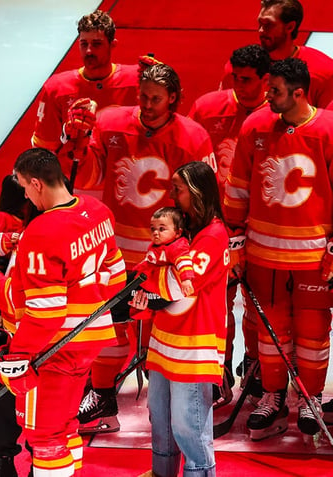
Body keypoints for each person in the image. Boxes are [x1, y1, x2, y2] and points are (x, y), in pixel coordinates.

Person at [71, 63, 215, 434]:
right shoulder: (110, 121)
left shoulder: (194, 136)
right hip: (117, 250)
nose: (147, 105)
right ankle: (102, 397)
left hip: (166, 257)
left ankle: (164, 405)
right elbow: (89, 177)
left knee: (163, 329)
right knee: (111, 325)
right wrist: (78, 142)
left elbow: (201, 198)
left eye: (156, 99)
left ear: (174, 99)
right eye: (143, 96)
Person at [0, 147, 126, 477]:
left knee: (45, 437)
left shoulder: (41, 231)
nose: (23, 195)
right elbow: (116, 279)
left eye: (21, 185)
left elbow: (45, 312)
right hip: (89, 340)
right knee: (66, 427)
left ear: (36, 183)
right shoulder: (99, 210)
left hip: (51, 349)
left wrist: (17, 354)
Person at [223, 57, 333, 440]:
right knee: (270, 335)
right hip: (263, 255)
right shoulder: (255, 126)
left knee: (313, 332)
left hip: (313, 259)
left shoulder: (329, 131)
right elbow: (237, 187)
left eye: (275, 90)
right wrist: (234, 236)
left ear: (299, 93)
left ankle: (310, 398)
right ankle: (272, 398)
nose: (266, 95)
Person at [132, 161, 229, 477]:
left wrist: (144, 280)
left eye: (178, 188)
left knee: (189, 428)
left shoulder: (213, 235)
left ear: (197, 192)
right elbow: (154, 266)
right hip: (164, 342)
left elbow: (177, 286)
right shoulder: (182, 227)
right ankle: (161, 473)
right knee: (159, 419)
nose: (171, 194)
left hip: (194, 349)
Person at [189, 43, 271, 408]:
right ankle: (217, 370)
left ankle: (256, 369)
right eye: (235, 77)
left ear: (266, 80)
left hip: (263, 229)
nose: (239, 85)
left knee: (258, 309)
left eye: (248, 80)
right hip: (215, 227)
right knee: (216, 306)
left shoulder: (278, 115)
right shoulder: (208, 108)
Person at [30, 9, 139, 198]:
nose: (89, 51)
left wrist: (159, 80)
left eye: (96, 44)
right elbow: (43, 150)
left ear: (112, 45)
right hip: (76, 187)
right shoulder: (57, 88)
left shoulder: (136, 81)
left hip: (127, 184)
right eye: (84, 44)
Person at [0, 175, 36, 477]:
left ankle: (38, 458)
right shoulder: (6, 218)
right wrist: (14, 241)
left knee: (35, 397)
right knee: (5, 388)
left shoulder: (43, 219)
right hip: (9, 315)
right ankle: (2, 459)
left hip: (36, 323)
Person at [219, 0, 333, 108]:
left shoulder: (323, 72)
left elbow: (328, 122)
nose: (261, 30)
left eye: (269, 24)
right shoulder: (240, 67)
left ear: (290, 27)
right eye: (260, 23)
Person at [132, 207, 195, 309]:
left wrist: (186, 279)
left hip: (167, 290)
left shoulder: (177, 246)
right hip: (154, 287)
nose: (155, 232)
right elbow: (149, 261)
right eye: (153, 229)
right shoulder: (159, 245)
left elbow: (184, 261)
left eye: (162, 229)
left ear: (178, 233)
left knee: (125, 294)